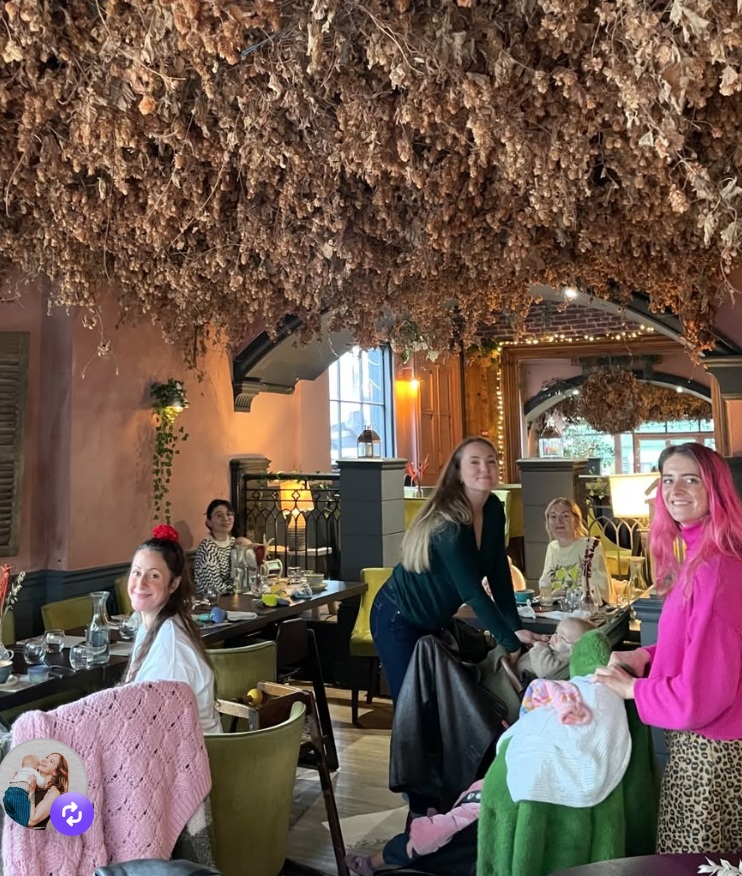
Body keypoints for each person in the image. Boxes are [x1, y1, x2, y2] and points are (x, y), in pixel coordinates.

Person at [594, 443, 742, 854]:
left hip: (713, 753)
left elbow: (702, 696)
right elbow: (696, 641)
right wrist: (646, 656)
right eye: (668, 480)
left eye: (691, 479)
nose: (676, 489)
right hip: (708, 744)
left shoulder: (715, 567)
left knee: (693, 863)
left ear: (715, 490)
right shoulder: (703, 554)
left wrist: (632, 689)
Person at [371, 437, 546, 706]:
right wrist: (509, 643)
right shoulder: (448, 523)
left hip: (435, 620)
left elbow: (499, 572)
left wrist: (515, 628)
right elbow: (473, 594)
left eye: (491, 461)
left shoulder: (493, 509)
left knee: (441, 706)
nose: (485, 468)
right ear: (458, 473)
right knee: (412, 708)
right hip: (397, 617)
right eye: (474, 462)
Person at [126, 525, 222, 734]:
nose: (140, 583)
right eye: (136, 572)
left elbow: (157, 729)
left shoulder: (171, 650)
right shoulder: (153, 625)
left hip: (193, 758)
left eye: (153, 576)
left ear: (173, 584)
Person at [346, 778, 483, 875]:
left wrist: (420, 831)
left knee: (402, 844)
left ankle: (369, 864)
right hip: (460, 835)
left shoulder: (480, 802)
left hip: (447, 844)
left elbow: (439, 831)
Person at [540, 498, 613, 604]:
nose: (558, 521)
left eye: (565, 516)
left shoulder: (590, 546)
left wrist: (567, 593)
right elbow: (545, 586)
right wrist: (550, 595)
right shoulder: (552, 548)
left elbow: (600, 589)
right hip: (556, 611)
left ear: (576, 521)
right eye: (553, 516)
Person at [193, 499, 252, 597]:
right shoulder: (208, 547)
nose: (226, 519)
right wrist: (241, 587)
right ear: (209, 522)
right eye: (219, 515)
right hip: (211, 602)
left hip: (234, 597)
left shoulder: (233, 542)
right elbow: (214, 588)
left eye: (229, 514)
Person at [3, 752, 69, 829]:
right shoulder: (30, 782)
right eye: (47, 757)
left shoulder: (54, 793)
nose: (45, 760)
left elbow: (31, 822)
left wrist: (32, 792)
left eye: (51, 761)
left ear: (56, 772)